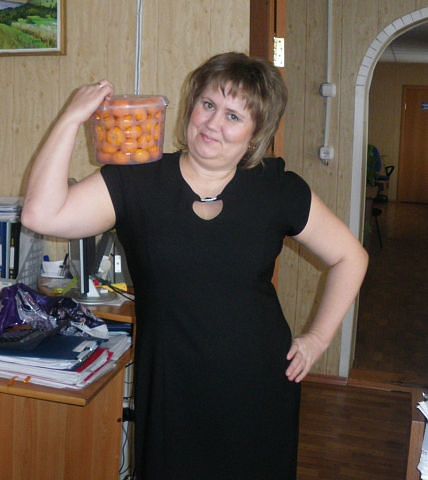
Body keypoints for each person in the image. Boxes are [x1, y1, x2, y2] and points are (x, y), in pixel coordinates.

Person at [22, 52, 368, 479]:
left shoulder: (277, 189)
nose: (213, 123)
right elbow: (41, 215)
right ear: (190, 106)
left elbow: (350, 256)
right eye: (208, 104)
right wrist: (71, 118)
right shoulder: (137, 180)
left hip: (257, 383)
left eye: (233, 116)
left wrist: (317, 339)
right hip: (171, 386)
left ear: (256, 133)